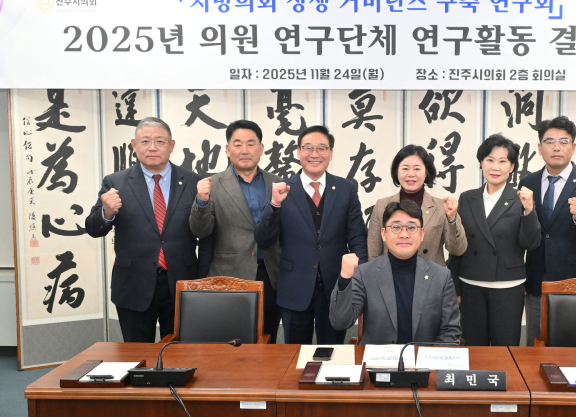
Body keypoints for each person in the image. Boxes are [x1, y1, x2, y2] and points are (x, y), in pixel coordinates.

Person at [85, 117, 212, 343]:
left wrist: (201, 281)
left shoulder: (193, 182)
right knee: (137, 354)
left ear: (171, 146)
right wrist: (106, 212)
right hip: (133, 284)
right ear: (134, 145)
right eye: (145, 141)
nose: (152, 147)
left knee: (179, 352)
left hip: (181, 283)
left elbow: (205, 233)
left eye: (160, 141)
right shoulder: (116, 182)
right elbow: (93, 228)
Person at [254, 125, 368, 344]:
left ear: (331, 153)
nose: (314, 154)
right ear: (298, 152)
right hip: (294, 287)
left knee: (334, 353)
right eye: (308, 148)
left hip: (336, 287)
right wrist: (274, 205)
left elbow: (357, 237)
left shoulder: (346, 189)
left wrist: (358, 278)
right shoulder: (281, 189)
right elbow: (263, 238)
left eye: (322, 148)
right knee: (294, 354)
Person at [189, 120, 282, 343]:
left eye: (251, 144)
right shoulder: (212, 184)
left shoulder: (277, 183)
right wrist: (201, 201)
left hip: (271, 276)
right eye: (238, 144)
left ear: (261, 148)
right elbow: (200, 230)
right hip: (228, 277)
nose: (244, 150)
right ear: (228, 149)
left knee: (268, 341)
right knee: (230, 344)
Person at [448, 134, 542, 346]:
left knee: (505, 348)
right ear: (481, 163)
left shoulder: (521, 199)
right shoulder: (467, 197)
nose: (495, 167)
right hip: (470, 283)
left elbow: (531, 243)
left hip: (508, 285)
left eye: (502, 161)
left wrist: (529, 210)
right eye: (489, 160)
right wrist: (454, 286)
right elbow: (458, 245)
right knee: (473, 349)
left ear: (512, 166)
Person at [519, 116, 576, 345]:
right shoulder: (528, 183)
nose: (556, 148)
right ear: (540, 148)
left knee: (574, 344)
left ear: (573, 147)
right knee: (535, 343)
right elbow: (524, 232)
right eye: (550, 141)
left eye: (564, 142)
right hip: (536, 279)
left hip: (574, 280)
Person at [330, 200, 461, 344]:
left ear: (422, 234)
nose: (404, 234)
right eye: (396, 227)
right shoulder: (364, 273)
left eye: (411, 227)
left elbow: (451, 331)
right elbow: (340, 322)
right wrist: (345, 278)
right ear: (383, 233)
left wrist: (428, 356)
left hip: (423, 357)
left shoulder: (441, 276)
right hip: (378, 357)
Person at [368, 145, 467, 266]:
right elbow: (373, 254)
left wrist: (452, 219)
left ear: (426, 172)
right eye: (405, 168)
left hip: (431, 275)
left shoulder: (442, 207)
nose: (411, 174)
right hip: (390, 275)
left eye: (417, 169)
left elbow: (458, 250)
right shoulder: (381, 206)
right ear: (397, 171)